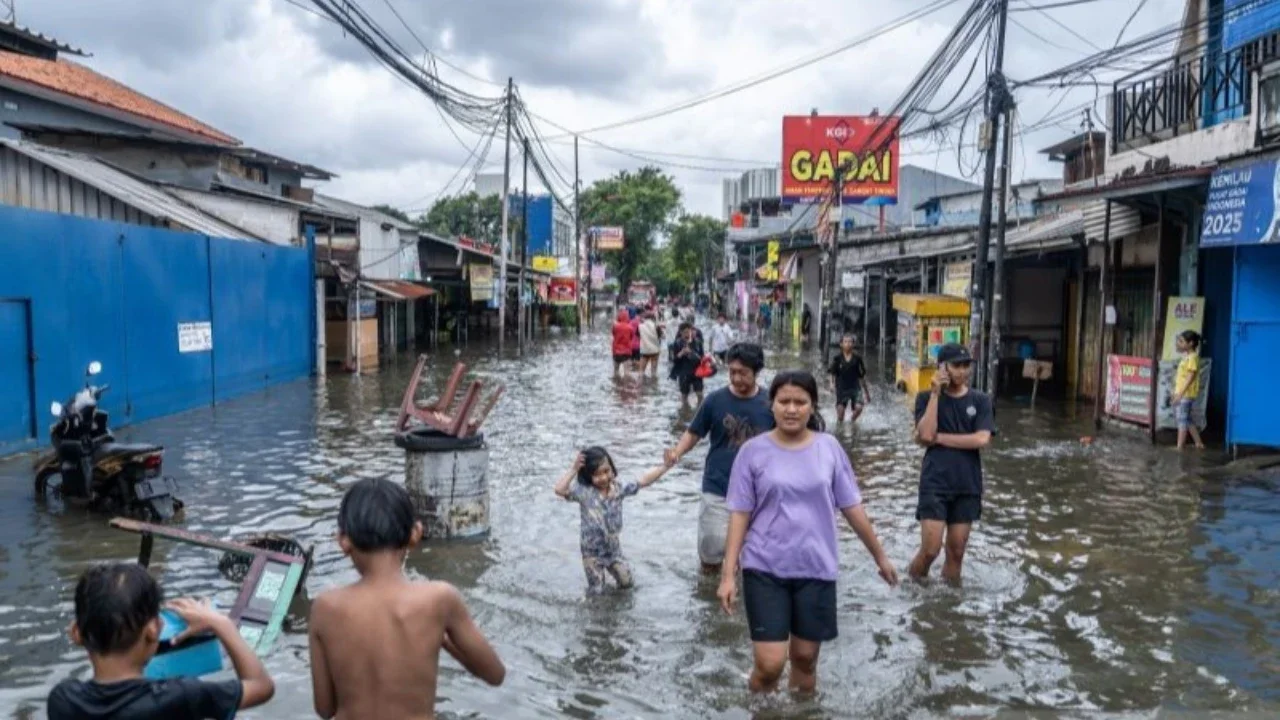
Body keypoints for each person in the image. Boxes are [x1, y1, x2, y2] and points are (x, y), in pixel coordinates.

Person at [718, 370, 897, 694]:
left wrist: (880, 557)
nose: (791, 409)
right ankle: (758, 708)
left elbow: (852, 507)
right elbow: (739, 514)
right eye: (784, 401)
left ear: (812, 405)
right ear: (771, 405)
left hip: (816, 567)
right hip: (764, 567)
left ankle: (800, 712)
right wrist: (728, 574)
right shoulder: (752, 452)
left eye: (800, 402)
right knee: (770, 665)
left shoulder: (829, 448)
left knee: (804, 660)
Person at [308, 478, 505, 719]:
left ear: (343, 540)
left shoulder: (325, 607)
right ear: (415, 533)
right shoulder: (439, 599)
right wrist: (443, 639)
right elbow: (495, 674)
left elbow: (325, 708)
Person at [47, 563, 275, 719]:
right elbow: (261, 686)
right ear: (154, 629)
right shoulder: (181, 695)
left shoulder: (64, 701)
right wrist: (221, 623)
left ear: (76, 633)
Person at [665, 343, 774, 573]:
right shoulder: (715, 400)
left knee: (751, 559)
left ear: (757, 371)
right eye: (732, 372)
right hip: (717, 488)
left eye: (743, 373)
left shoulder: (771, 404)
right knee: (710, 555)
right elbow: (694, 433)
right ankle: (708, 592)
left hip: (758, 493)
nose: (736, 378)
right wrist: (676, 452)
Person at [910, 343, 994, 584]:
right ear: (943, 368)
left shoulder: (981, 400)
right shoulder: (925, 398)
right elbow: (926, 434)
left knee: (956, 553)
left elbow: (982, 439)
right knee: (930, 550)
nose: (962, 371)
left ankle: (950, 602)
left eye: (966, 365)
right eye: (956, 366)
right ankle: (912, 586)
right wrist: (935, 394)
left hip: (967, 484)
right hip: (935, 482)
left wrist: (940, 439)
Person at [555, 447, 671, 594]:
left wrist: (665, 466)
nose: (603, 477)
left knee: (627, 584)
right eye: (596, 475)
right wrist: (574, 469)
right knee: (597, 591)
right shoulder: (584, 492)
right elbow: (559, 490)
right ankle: (597, 607)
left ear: (612, 468)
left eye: (606, 471)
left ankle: (617, 604)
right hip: (591, 553)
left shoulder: (618, 489)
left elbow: (643, 481)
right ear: (588, 476)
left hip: (613, 551)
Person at [1172, 330, 1206, 450]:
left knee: (1182, 420)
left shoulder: (1192, 358)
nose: (1179, 344)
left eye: (1182, 341)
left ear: (1190, 343)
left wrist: (1180, 394)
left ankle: (1179, 446)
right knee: (1186, 419)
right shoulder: (1187, 357)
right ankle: (1198, 443)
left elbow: (1190, 377)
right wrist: (1177, 392)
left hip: (1186, 394)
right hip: (1184, 394)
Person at [828, 334, 871, 423]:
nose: (848, 344)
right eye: (845, 342)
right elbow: (832, 373)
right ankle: (840, 427)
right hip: (841, 388)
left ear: (853, 344)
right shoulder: (837, 359)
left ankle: (852, 421)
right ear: (841, 344)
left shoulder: (857, 359)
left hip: (855, 388)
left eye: (850, 342)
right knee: (840, 413)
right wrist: (831, 384)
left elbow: (861, 376)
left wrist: (867, 393)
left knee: (859, 408)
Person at [670, 322, 706, 407]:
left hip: (697, 372)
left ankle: (700, 409)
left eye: (689, 331)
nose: (687, 334)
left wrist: (691, 353)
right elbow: (674, 360)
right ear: (681, 332)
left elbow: (702, 358)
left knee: (700, 394)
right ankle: (685, 411)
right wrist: (681, 353)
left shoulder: (698, 342)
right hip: (684, 373)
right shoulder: (677, 343)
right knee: (684, 396)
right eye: (685, 332)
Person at [638, 310, 663, 379]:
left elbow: (638, 335)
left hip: (644, 350)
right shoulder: (656, 326)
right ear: (652, 318)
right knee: (654, 373)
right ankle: (654, 384)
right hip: (655, 350)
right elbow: (661, 336)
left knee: (641, 372)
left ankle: (641, 384)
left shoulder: (640, 326)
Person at [611, 308, 634, 380]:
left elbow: (613, 334)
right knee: (627, 372)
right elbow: (631, 337)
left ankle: (616, 384)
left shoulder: (615, 326)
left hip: (616, 352)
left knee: (616, 371)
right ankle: (626, 385)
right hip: (626, 352)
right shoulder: (630, 327)